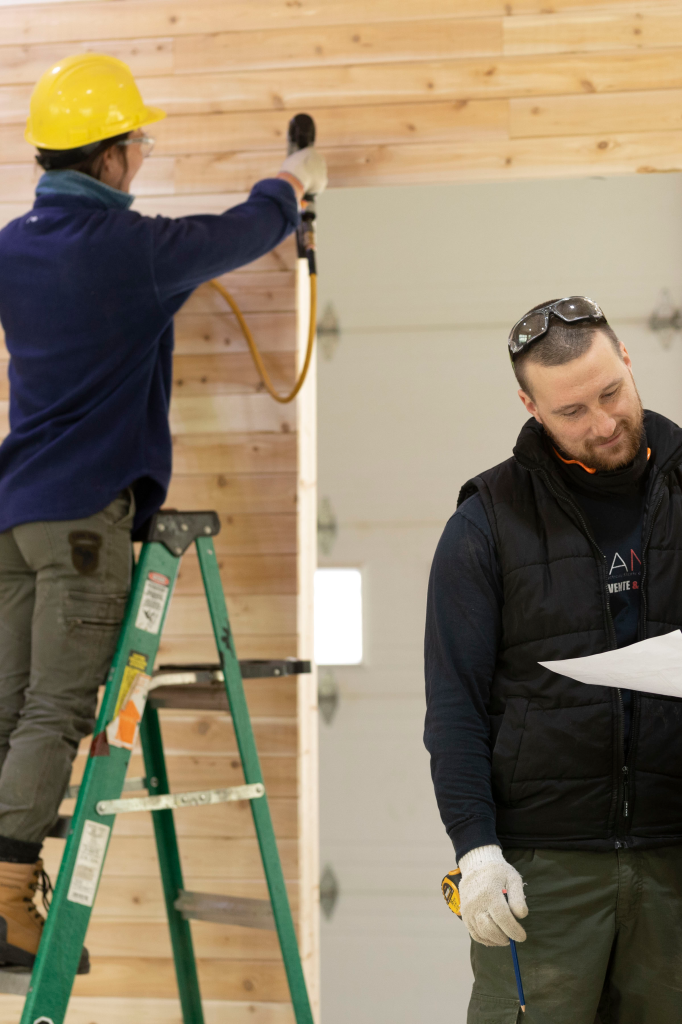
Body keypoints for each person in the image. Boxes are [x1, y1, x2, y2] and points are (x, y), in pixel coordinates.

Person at [0, 53, 327, 970]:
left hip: (13, 516)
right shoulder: (135, 254)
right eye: (136, 143)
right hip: (83, 526)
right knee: (55, 711)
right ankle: (4, 904)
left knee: (4, 710)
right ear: (107, 156)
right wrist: (294, 178)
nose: (140, 158)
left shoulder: (11, 248)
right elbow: (247, 227)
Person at [424, 296, 682, 1023]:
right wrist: (477, 851)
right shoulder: (484, 526)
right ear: (529, 405)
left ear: (627, 360)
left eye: (611, 394)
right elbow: (455, 709)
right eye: (570, 412)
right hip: (541, 875)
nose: (602, 423)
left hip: (677, 865)